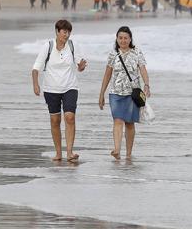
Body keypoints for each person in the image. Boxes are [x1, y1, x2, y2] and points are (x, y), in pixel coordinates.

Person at [31, 19, 87, 162]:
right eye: (64, 32)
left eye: (68, 32)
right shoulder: (48, 46)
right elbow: (36, 68)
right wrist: (36, 85)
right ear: (57, 31)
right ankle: (58, 153)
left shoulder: (73, 45)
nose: (66, 35)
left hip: (70, 86)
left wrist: (81, 66)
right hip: (51, 88)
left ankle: (69, 152)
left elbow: (79, 66)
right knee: (55, 120)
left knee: (70, 117)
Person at [98, 26, 151, 160]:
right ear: (117, 39)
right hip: (115, 93)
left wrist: (147, 84)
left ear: (130, 39)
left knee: (129, 123)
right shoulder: (112, 54)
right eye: (120, 38)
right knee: (117, 120)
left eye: (125, 38)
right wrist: (101, 93)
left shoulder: (137, 52)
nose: (123, 40)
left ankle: (128, 153)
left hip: (132, 93)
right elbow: (107, 74)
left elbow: (143, 69)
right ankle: (116, 150)